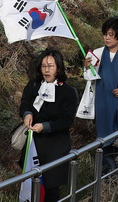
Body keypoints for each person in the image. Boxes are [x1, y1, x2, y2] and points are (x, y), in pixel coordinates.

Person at [18, 49, 78, 200]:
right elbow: (25, 102)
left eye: (50, 66)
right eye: (43, 66)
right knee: (31, 182)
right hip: (34, 143)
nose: (46, 70)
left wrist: (45, 126)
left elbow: (66, 119)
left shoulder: (68, 92)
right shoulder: (34, 85)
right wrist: (27, 114)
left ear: (58, 68)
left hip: (55, 145)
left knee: (51, 187)